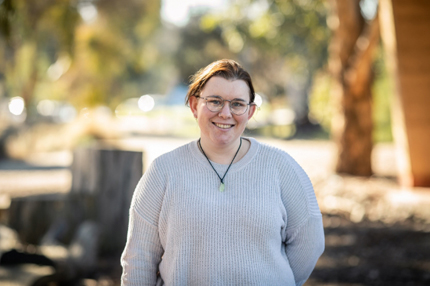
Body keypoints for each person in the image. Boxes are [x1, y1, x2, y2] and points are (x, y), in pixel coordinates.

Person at [121, 59, 325, 286]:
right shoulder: (163, 172)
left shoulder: (281, 168)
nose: (226, 113)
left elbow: (309, 242)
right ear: (194, 105)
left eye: (238, 104)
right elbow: (139, 259)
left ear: (250, 111)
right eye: (215, 101)